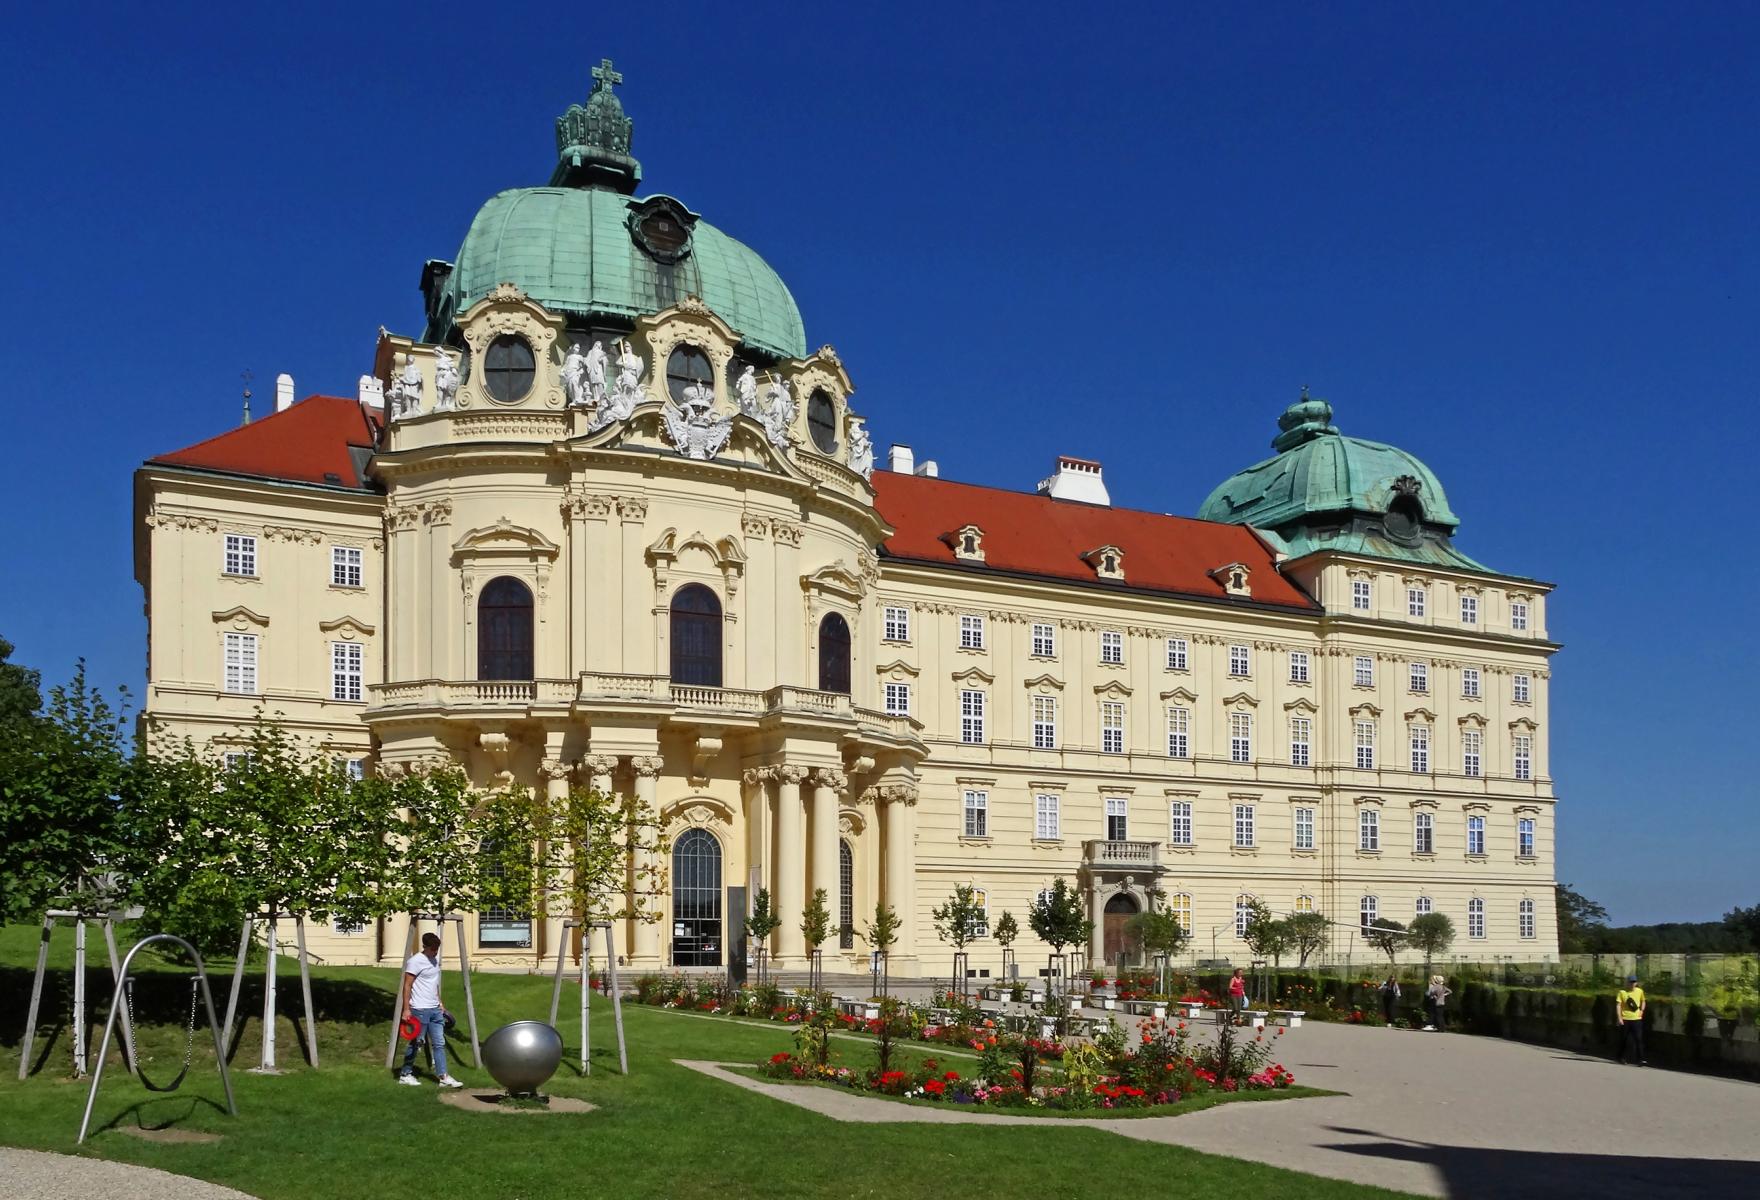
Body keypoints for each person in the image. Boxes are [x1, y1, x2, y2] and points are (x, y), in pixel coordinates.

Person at [398, 932, 463, 1087]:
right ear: (425, 946)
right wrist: (406, 1009)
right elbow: (407, 985)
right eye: (433, 948)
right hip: (419, 1010)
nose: (436, 951)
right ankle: (405, 1074)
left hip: (434, 1009)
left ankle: (443, 1077)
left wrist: (440, 1002)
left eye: (437, 948)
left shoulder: (434, 960)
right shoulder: (415, 961)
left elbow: (434, 984)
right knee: (417, 1043)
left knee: (439, 1043)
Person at [1616, 974, 1647, 1065]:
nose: (1633, 984)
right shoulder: (1622, 992)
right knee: (1624, 1039)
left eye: (1634, 982)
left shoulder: (1640, 991)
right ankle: (1621, 1057)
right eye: (1631, 982)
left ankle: (1640, 1059)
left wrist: (1642, 1010)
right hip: (1625, 1018)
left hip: (1636, 1019)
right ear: (1628, 983)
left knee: (1638, 1039)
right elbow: (1618, 1005)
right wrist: (1619, 1018)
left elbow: (1643, 1001)